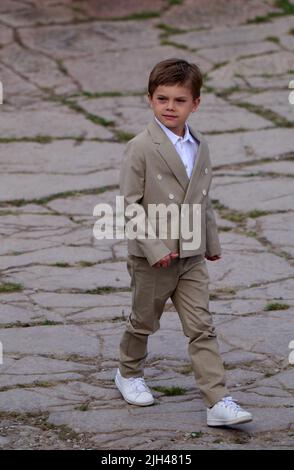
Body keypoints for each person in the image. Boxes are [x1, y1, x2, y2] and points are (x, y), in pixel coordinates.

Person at [115, 58, 252, 426]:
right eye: (162, 99)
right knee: (144, 322)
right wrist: (156, 248)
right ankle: (128, 373)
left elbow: (201, 198)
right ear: (150, 100)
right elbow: (128, 206)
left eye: (179, 100)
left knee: (202, 326)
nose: (170, 107)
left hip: (191, 254)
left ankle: (217, 400)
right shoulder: (141, 147)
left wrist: (211, 241)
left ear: (196, 103)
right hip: (152, 258)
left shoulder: (200, 144)